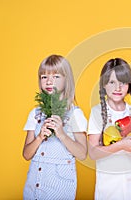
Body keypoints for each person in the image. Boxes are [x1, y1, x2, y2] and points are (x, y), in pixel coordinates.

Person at [22, 54, 88, 200]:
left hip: (59, 189)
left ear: (66, 80)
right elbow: (26, 155)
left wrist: (62, 134)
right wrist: (39, 137)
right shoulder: (35, 114)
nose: (49, 81)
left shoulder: (74, 114)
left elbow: (82, 154)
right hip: (34, 187)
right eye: (44, 77)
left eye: (56, 76)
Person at [88, 58, 131, 200]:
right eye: (112, 82)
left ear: (130, 86)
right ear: (104, 85)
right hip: (108, 188)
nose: (118, 88)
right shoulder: (97, 112)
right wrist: (122, 145)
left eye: (123, 82)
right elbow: (93, 153)